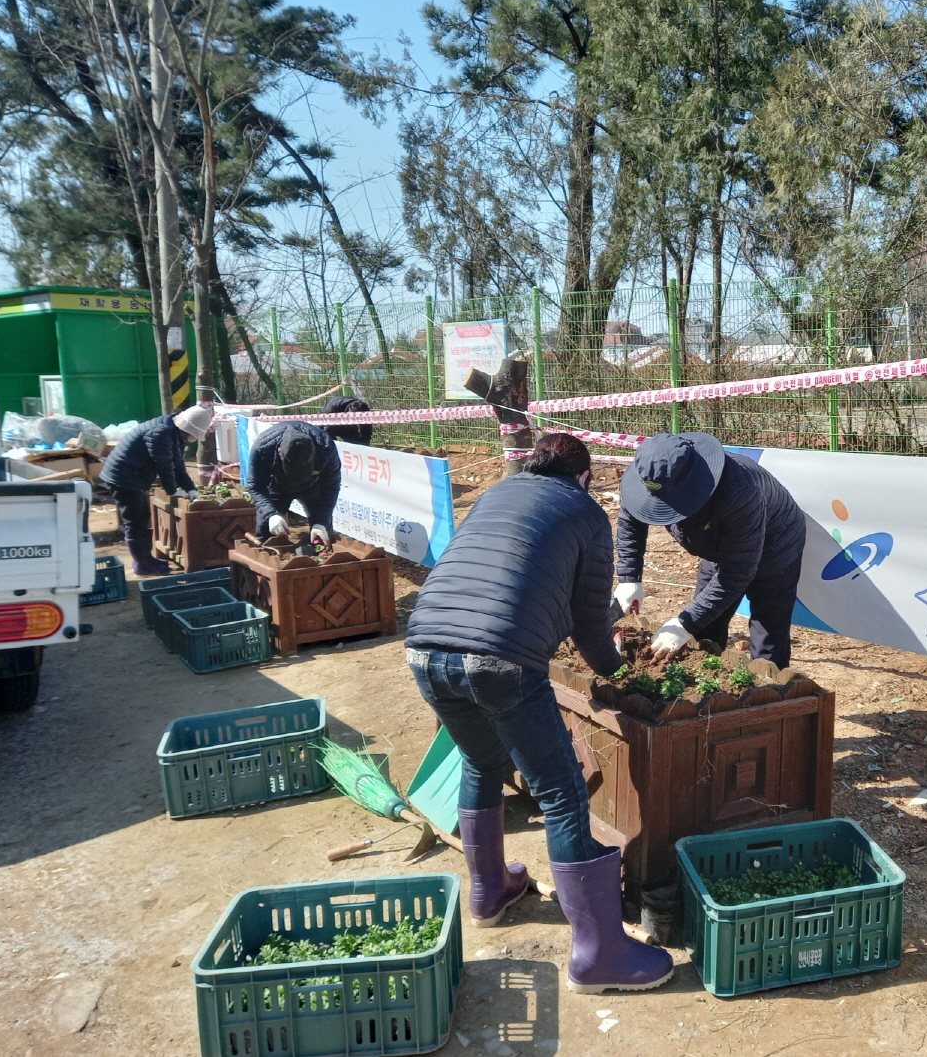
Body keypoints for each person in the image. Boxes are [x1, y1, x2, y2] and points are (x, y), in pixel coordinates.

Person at [404, 432, 673, 994]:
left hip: (424, 647)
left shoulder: (496, 494)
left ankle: (490, 892)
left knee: (483, 761)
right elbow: (590, 628)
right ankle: (598, 955)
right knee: (562, 792)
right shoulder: (586, 513)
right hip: (500, 658)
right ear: (587, 477)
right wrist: (614, 666)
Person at [615, 431, 806, 667]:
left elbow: (735, 574)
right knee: (704, 630)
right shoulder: (651, 474)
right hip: (718, 544)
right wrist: (629, 578)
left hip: (776, 545)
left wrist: (683, 624)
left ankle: (771, 694)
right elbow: (631, 519)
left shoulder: (739, 490)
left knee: (768, 636)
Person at [100, 405, 212, 576]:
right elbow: (165, 466)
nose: (194, 440)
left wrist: (191, 489)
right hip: (123, 477)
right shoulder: (161, 433)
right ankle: (142, 563)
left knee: (142, 516)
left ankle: (146, 558)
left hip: (132, 475)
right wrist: (173, 490)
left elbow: (178, 466)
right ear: (189, 430)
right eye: (195, 436)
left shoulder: (173, 433)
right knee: (135, 518)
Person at [245, 420, 341, 545]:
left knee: (322, 534)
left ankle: (319, 557)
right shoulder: (263, 447)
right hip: (277, 486)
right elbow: (255, 485)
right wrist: (271, 515)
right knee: (265, 530)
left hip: (313, 487)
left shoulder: (326, 447)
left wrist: (321, 522)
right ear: (280, 452)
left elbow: (331, 486)